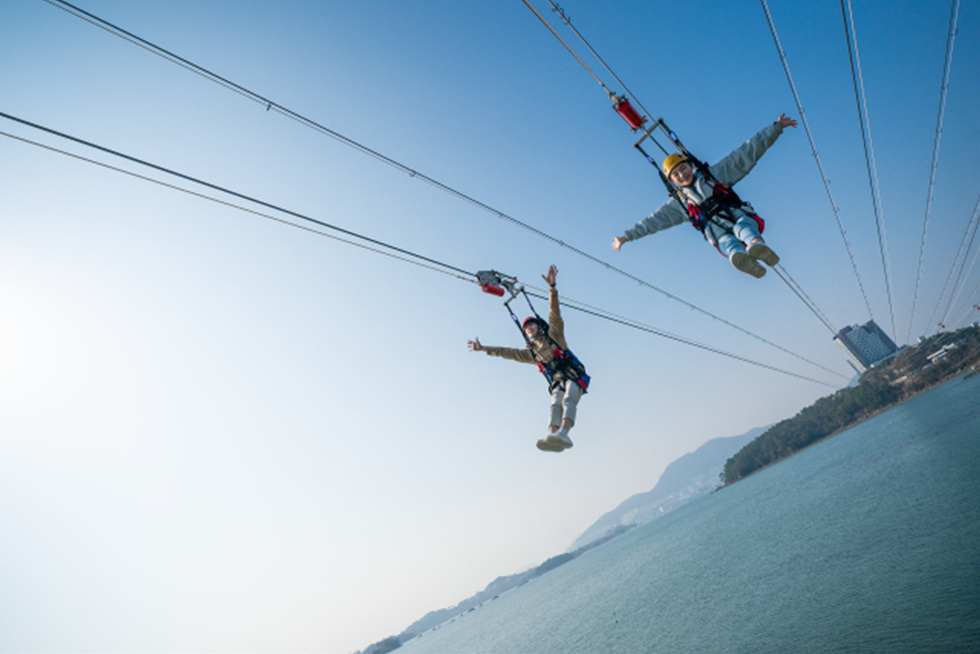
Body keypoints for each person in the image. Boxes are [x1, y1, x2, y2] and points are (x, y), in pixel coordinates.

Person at [612, 113, 798, 278]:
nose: (682, 175)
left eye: (683, 169)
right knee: (725, 241)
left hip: (737, 214)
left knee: (743, 226)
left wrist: (776, 128)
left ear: (691, 166)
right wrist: (626, 237)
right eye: (676, 175)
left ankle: (756, 244)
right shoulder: (680, 203)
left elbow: (745, 154)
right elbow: (653, 222)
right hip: (714, 229)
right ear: (673, 181)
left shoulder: (714, 175)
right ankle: (739, 258)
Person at [468, 265, 588, 453]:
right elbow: (508, 353)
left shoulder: (554, 336)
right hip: (557, 380)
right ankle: (552, 435)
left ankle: (564, 433)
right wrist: (484, 349)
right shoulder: (532, 353)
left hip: (573, 375)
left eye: (532, 325)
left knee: (568, 400)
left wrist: (552, 288)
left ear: (539, 327)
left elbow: (554, 314)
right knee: (555, 404)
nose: (529, 328)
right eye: (526, 328)